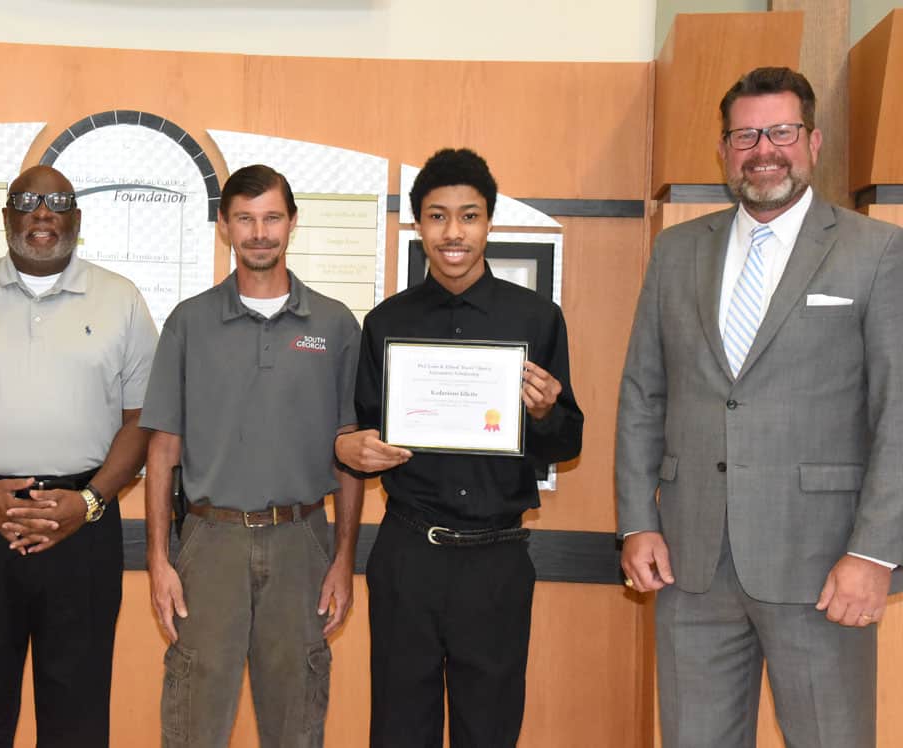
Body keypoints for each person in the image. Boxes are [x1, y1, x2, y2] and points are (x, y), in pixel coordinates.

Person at [617, 67, 903, 748]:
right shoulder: (676, 252)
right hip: (691, 566)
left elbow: (898, 411)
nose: (763, 149)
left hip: (824, 566)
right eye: (745, 135)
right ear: (723, 150)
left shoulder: (876, 251)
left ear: (813, 141)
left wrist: (875, 553)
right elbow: (641, 394)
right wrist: (635, 523)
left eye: (780, 131)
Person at [335, 148, 583, 747]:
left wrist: (548, 411)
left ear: (489, 223)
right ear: (418, 226)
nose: (454, 232)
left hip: (496, 558)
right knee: (399, 726)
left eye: (468, 216)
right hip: (408, 552)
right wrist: (352, 450)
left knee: (489, 729)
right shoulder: (386, 322)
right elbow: (355, 429)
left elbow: (568, 439)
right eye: (438, 216)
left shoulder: (537, 319)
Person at [0, 164, 158, 747]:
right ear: (6, 218)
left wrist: (90, 502)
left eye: (56, 202)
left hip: (83, 522)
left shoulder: (121, 300)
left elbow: (143, 418)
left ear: (76, 218)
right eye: (27, 200)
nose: (41, 212)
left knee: (77, 708)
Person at [142, 164, 364, 748]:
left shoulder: (336, 325)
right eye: (245, 218)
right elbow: (163, 447)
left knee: (297, 724)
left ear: (292, 223)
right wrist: (159, 561)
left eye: (271, 218)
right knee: (194, 723)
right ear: (224, 226)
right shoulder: (189, 322)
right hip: (210, 543)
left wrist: (343, 558)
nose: (259, 232)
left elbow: (351, 455)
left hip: (302, 542)